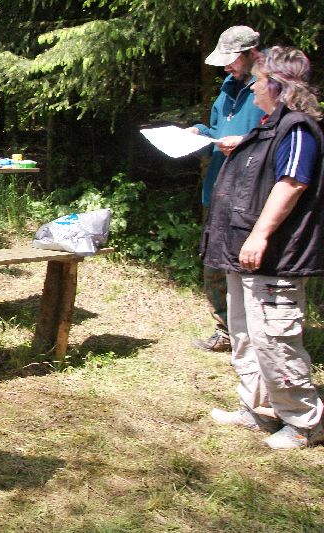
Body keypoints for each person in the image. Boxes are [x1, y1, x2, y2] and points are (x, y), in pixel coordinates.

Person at [202, 46, 324, 449]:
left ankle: (304, 422)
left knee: (275, 339)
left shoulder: (298, 127)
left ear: (277, 84)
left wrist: (260, 235)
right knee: (245, 334)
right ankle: (258, 410)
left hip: (273, 257)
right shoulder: (269, 127)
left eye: (258, 80)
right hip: (241, 254)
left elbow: (292, 184)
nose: (252, 87)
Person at [188, 26, 265, 353]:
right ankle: (225, 330)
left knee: (249, 268)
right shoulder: (227, 89)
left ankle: (258, 336)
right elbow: (218, 132)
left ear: (252, 54)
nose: (225, 67)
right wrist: (200, 133)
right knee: (215, 263)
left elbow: (279, 138)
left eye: (231, 59)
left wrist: (244, 142)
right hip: (219, 189)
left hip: (252, 193)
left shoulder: (270, 88)